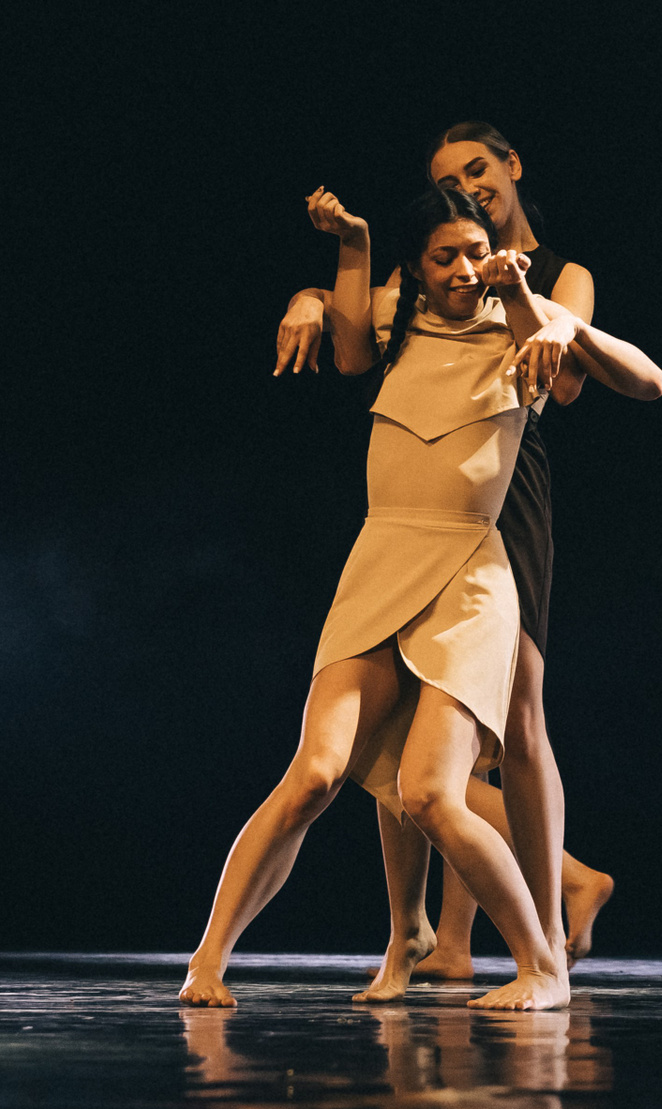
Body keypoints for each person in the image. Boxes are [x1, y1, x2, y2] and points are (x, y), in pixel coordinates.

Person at [184, 186, 588, 1010]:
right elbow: (347, 346)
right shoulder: (397, 326)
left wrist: (553, 321)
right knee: (314, 774)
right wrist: (341, 254)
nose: (465, 269)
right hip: (381, 560)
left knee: (431, 792)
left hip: (471, 571)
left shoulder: (522, 326)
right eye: (446, 256)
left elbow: (640, 376)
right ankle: (207, 961)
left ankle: (542, 966)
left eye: (477, 252)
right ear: (416, 268)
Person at [275, 122, 650, 985]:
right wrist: (309, 292)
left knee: (513, 719)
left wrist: (533, 309)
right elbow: (366, 327)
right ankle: (438, 936)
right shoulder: (435, 261)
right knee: (415, 722)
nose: (470, 187)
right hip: (422, 489)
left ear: (512, 166)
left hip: (503, 484)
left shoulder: (558, 274)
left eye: (480, 170)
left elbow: (566, 380)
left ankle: (549, 918)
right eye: (451, 178)